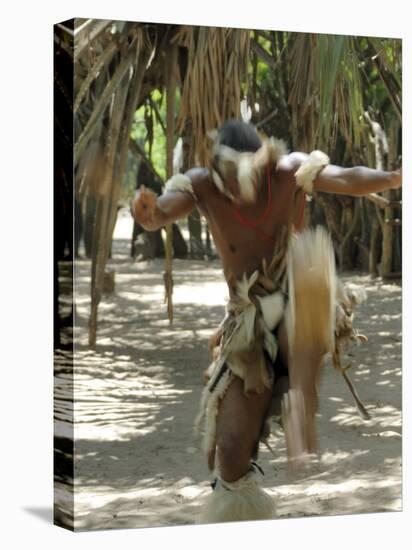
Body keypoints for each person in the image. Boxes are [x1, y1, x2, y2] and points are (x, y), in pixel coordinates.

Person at [131, 119, 402, 524]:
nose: (243, 187)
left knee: (310, 262)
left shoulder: (289, 171)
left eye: (251, 175)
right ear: (216, 171)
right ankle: (242, 518)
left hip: (301, 299)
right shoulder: (200, 185)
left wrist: (396, 177)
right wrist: (149, 214)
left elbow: (348, 178)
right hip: (248, 323)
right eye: (232, 178)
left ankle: (302, 403)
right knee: (232, 451)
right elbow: (162, 212)